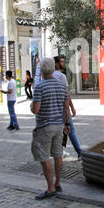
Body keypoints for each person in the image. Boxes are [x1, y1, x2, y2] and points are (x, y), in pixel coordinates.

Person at [30, 58, 70, 199]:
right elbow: (66, 108)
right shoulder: (61, 86)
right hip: (59, 126)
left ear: (41, 70)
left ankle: (50, 188)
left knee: (44, 156)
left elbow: (36, 110)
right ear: (53, 69)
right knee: (58, 155)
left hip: (44, 127)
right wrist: (68, 124)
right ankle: (58, 183)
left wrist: (31, 106)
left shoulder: (39, 87)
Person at [54, 56, 82, 160]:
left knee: (60, 131)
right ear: (56, 64)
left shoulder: (48, 75)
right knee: (71, 129)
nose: (63, 63)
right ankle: (79, 152)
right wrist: (72, 107)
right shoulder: (61, 76)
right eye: (61, 61)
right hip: (62, 107)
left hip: (54, 107)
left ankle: (60, 151)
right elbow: (67, 94)